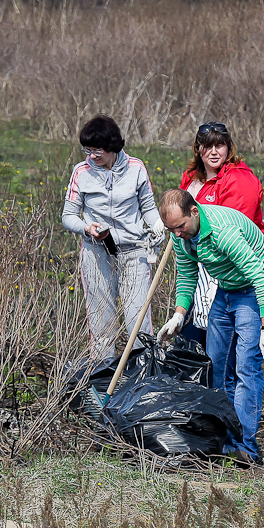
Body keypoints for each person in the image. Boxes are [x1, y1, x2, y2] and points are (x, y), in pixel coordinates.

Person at [155, 189, 264, 466]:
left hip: (257, 288)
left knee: (246, 366)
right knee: (216, 364)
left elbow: (260, 277)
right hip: (226, 288)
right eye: (171, 229)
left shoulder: (224, 232)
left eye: (180, 227)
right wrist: (179, 314)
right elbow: (187, 275)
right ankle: (224, 440)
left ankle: (245, 448)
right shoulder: (182, 238)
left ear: (194, 212)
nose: (177, 234)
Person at [61, 114, 166, 359]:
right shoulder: (81, 172)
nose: (92, 156)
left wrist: (159, 226)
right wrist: (87, 228)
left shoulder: (136, 168)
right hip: (97, 254)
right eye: (87, 150)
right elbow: (68, 215)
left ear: (113, 147)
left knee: (137, 323)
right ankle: (103, 380)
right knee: (102, 324)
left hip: (134, 254)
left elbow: (148, 208)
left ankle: (144, 383)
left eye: (98, 150)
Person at [177, 121, 264, 345]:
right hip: (202, 262)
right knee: (202, 333)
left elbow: (235, 234)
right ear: (198, 149)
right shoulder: (191, 178)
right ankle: (208, 379)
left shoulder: (238, 180)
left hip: (232, 267)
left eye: (220, 146)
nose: (214, 152)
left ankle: (227, 379)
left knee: (231, 343)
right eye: (207, 146)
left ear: (229, 147)